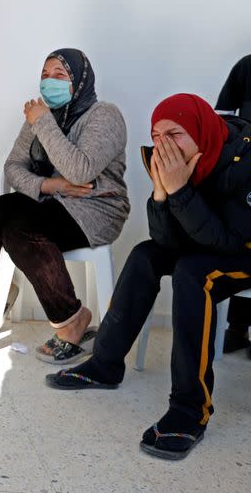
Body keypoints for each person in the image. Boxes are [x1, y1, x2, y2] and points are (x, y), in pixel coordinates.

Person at [46, 93, 251, 460]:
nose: (163, 145)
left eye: (175, 133)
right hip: (203, 239)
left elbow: (228, 242)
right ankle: (105, 364)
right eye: (157, 135)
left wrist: (180, 192)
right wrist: (161, 196)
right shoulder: (173, 163)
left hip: (244, 249)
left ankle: (190, 411)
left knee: (193, 273)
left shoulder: (245, 159)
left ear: (200, 132)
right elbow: (166, 240)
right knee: (145, 255)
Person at [0, 48, 129, 363]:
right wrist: (49, 185)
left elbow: (81, 170)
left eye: (59, 75)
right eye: (44, 75)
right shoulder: (40, 117)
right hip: (50, 200)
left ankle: (72, 320)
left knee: (20, 232)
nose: (48, 82)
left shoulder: (104, 115)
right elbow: (13, 167)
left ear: (79, 81)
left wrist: (44, 123)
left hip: (95, 209)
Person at [214, 55, 251, 357]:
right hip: (244, 169)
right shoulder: (246, 66)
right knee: (240, 237)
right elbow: (222, 118)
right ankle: (237, 329)